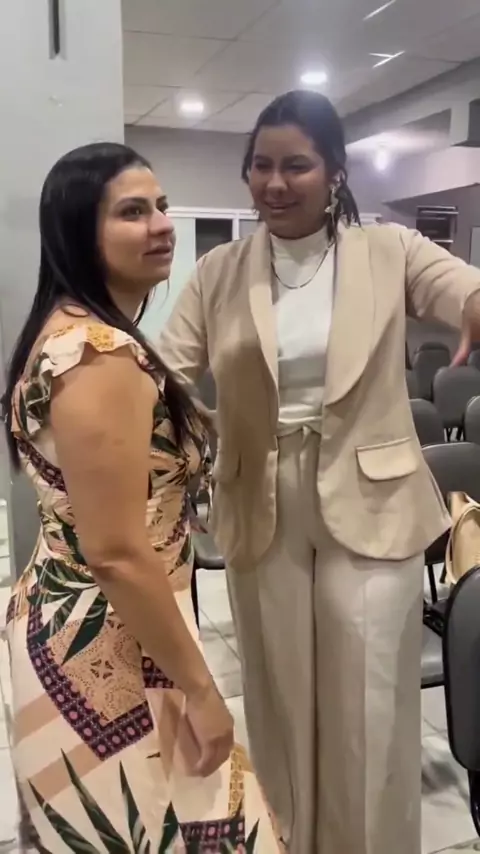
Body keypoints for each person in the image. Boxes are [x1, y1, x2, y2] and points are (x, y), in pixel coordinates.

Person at [159, 90, 480, 854]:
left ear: (334, 171)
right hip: (258, 498)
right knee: (279, 702)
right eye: (260, 165)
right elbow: (165, 372)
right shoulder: (218, 272)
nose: (274, 183)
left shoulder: (390, 251)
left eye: (295, 165)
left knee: (367, 707)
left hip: (371, 499)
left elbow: (463, 288)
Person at [2, 142, 282, 853]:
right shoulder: (99, 355)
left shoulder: (68, 332)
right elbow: (118, 553)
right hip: (112, 641)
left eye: (161, 206)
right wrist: (203, 691)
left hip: (81, 622)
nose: (161, 225)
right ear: (79, 231)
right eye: (132, 212)